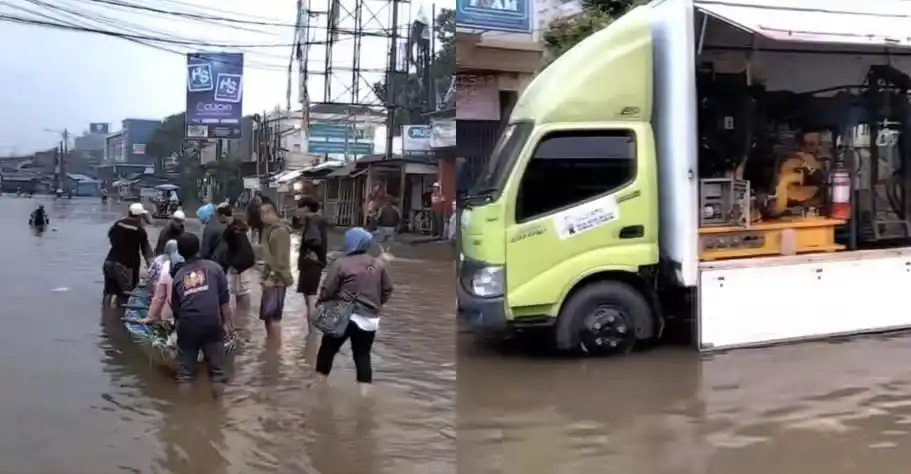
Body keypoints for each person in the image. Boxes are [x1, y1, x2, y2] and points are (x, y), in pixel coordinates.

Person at [314, 227, 393, 396]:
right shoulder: (377, 264)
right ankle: (364, 395)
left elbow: (327, 289)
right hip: (370, 319)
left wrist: (322, 301)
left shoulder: (341, 263)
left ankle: (318, 386)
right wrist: (376, 303)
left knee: (327, 350)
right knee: (362, 355)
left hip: (344, 316)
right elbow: (387, 289)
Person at [162, 233, 232, 393]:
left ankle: (184, 407)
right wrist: (226, 324)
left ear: (180, 253)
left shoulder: (179, 276)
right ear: (199, 247)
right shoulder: (215, 268)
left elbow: (177, 311)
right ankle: (219, 406)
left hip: (188, 325)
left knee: (184, 375)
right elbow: (225, 302)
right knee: (217, 374)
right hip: (212, 323)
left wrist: (178, 335)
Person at [103, 203, 153, 306]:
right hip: (127, 268)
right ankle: (118, 315)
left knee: (109, 294)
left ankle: (106, 313)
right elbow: (146, 251)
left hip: (109, 263)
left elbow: (111, 238)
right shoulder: (140, 231)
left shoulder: (117, 225)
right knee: (127, 298)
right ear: (139, 216)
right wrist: (152, 269)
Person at [291, 196, 328, 329]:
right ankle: (312, 331)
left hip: (311, 265)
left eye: (299, 207)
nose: (297, 211)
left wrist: (310, 253)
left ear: (306, 208)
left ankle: (312, 331)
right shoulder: (315, 221)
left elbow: (315, 241)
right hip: (314, 264)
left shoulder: (313, 222)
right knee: (309, 297)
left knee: (310, 297)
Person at [259, 199, 293, 342]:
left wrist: (272, 277)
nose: (261, 218)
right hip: (271, 277)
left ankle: (274, 347)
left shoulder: (280, 231)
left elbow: (280, 259)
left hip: (277, 280)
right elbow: (269, 257)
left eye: (263, 214)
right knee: (267, 315)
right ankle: (270, 345)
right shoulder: (270, 230)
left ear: (270, 213)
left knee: (274, 317)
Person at [215, 204, 255, 307]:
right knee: (239, 290)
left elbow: (245, 249)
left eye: (218, 216)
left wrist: (237, 266)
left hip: (241, 264)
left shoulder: (235, 230)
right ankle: (242, 313)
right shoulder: (240, 226)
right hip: (242, 264)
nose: (217, 219)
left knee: (242, 291)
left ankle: (243, 313)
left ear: (223, 216)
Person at [139, 239, 183, 324]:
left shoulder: (163, 263)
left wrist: (150, 317)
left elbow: (150, 279)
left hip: (168, 307)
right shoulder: (187, 264)